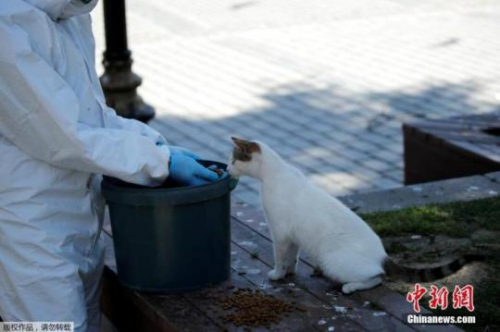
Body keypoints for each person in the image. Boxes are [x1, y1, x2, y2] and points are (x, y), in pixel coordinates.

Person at [0, 0, 219, 330]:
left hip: (81, 221)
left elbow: (92, 116)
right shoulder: (7, 26)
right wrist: (159, 161)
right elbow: (63, 136)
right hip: (30, 235)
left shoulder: (71, 15)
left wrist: (156, 144)